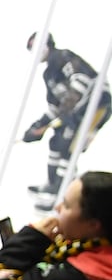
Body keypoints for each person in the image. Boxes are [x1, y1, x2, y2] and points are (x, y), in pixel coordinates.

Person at [22, 32, 110, 201]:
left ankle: (63, 193)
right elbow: (55, 107)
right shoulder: (48, 74)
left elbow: (81, 82)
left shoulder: (62, 57)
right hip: (78, 112)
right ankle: (53, 185)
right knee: (57, 141)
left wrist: (65, 112)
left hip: (97, 105)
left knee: (69, 145)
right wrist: (39, 125)